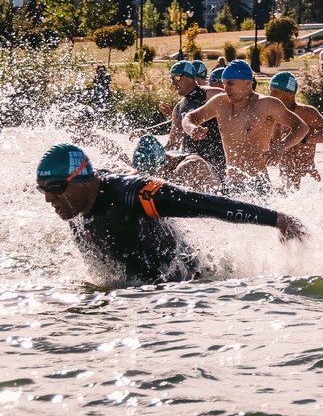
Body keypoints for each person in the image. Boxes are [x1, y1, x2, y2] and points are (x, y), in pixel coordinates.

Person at [36, 143, 305, 286]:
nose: (49, 199)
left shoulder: (134, 194)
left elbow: (205, 204)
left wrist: (277, 219)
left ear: (82, 180)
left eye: (56, 189)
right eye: (43, 190)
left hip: (187, 285)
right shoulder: (74, 210)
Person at [181, 60, 308, 194]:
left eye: (230, 83)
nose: (225, 88)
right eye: (224, 84)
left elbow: (301, 127)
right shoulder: (220, 103)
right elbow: (190, 117)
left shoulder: (267, 104)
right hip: (230, 182)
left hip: (258, 184)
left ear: (248, 83)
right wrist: (191, 129)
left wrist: (281, 146)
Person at [267, 71, 323, 189]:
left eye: (276, 92)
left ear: (290, 94)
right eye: (270, 91)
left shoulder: (306, 112)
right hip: (285, 178)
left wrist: (303, 138)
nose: (271, 95)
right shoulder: (272, 116)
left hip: (307, 178)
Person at [164, 61, 227, 181]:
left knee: (191, 165)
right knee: (164, 162)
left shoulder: (210, 94)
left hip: (215, 167)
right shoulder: (178, 108)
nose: (173, 82)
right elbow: (173, 144)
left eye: (176, 77)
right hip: (189, 165)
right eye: (171, 78)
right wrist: (148, 140)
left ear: (190, 77)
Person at [131, 133, 220, 193]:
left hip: (221, 196)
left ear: (161, 164)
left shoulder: (188, 167)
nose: (150, 175)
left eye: (151, 172)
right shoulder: (166, 157)